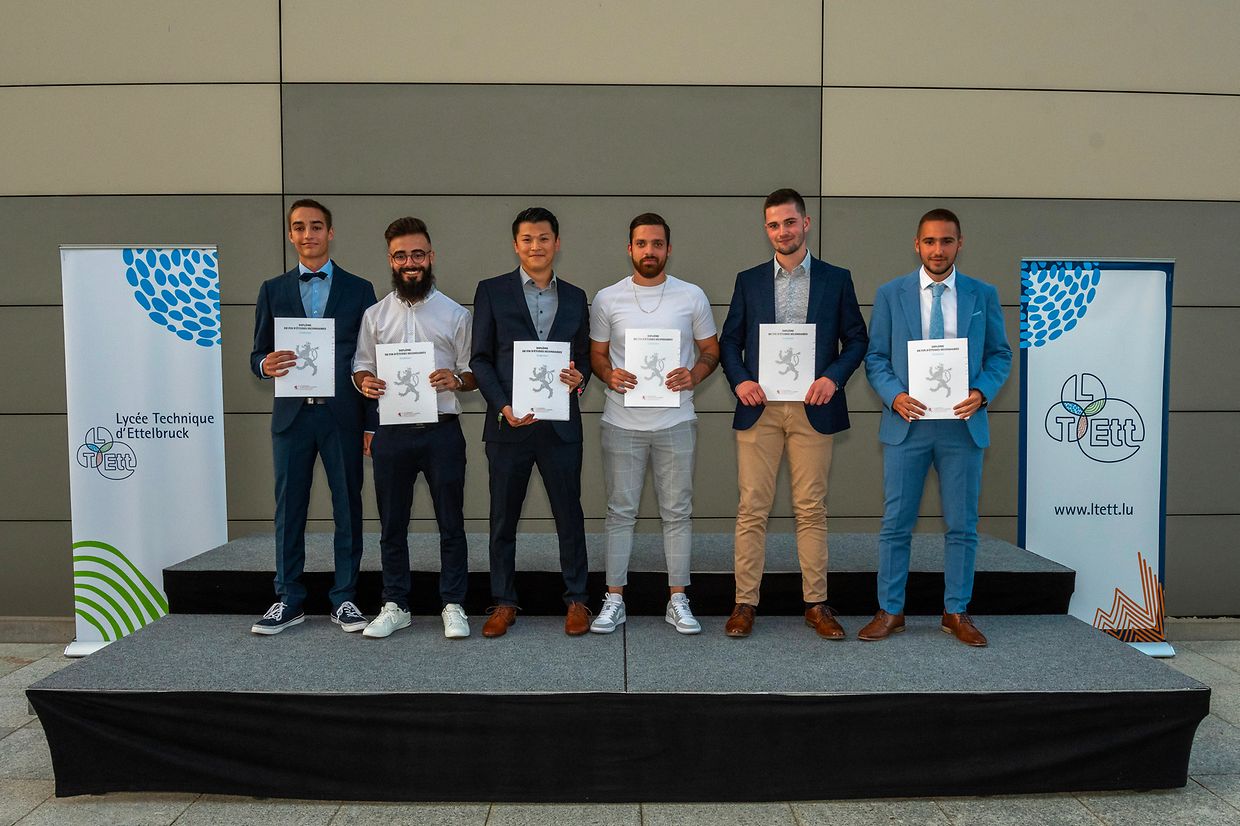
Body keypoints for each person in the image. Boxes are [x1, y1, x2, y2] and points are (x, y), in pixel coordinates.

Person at [719, 188, 868, 639]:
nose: (782, 231)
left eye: (789, 222)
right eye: (773, 225)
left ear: (806, 223)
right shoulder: (748, 281)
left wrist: (833, 378)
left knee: (811, 509)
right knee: (751, 509)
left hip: (813, 408)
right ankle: (744, 604)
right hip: (759, 408)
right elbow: (730, 341)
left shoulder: (836, 279)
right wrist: (740, 381)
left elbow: (856, 339)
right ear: (766, 230)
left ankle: (816, 604)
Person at [860, 208, 1012, 646]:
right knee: (896, 524)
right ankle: (891, 611)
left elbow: (1000, 355)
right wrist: (894, 396)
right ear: (917, 245)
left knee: (962, 526)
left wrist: (982, 392)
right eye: (930, 241)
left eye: (946, 241)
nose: (938, 250)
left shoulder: (983, 294)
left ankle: (956, 611)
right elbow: (876, 357)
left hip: (961, 426)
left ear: (960, 244)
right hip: (908, 424)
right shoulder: (891, 294)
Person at [587, 213, 720, 635]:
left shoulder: (692, 296)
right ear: (630, 249)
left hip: (676, 419)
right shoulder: (608, 298)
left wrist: (693, 375)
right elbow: (597, 355)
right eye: (642, 244)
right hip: (621, 421)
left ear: (668, 249)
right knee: (619, 512)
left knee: (677, 512)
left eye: (657, 244)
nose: (650, 251)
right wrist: (609, 375)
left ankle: (678, 599)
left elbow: (711, 351)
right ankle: (614, 599)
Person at [249, 199, 377, 634]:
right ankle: (288, 598)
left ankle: (345, 598)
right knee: (289, 510)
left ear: (330, 232)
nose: (309, 234)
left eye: (316, 226)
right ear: (291, 235)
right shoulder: (272, 289)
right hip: (292, 419)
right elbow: (256, 353)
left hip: (343, 417)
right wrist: (264, 365)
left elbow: (371, 359)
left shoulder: (360, 289)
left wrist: (372, 422)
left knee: (348, 508)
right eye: (300, 227)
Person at [352, 217, 477, 639]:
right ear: (391, 260)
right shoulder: (374, 316)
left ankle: (453, 604)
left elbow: (472, 372)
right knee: (392, 525)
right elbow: (361, 366)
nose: (410, 263)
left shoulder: (456, 314)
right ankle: (396, 604)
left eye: (418, 254)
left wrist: (456, 379)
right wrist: (365, 383)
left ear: (431, 257)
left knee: (451, 522)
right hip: (392, 432)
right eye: (401, 255)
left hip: (442, 430)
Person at [470, 207, 592, 637]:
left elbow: (583, 359)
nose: (536, 246)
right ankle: (503, 602)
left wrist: (579, 379)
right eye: (527, 239)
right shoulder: (491, 291)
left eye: (543, 238)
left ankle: (577, 599)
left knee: (569, 517)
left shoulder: (576, 296)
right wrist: (502, 405)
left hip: (561, 427)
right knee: (502, 519)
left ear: (557, 243)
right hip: (509, 425)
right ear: (515, 245)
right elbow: (480, 359)